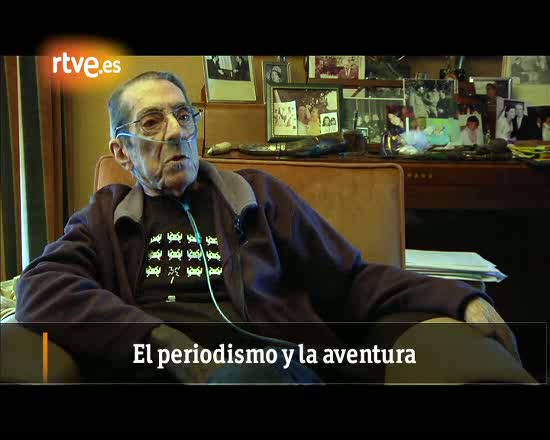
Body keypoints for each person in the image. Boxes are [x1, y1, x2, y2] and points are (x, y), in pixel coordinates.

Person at [14, 71, 520, 384]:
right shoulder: (107, 216)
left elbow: (350, 279)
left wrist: (458, 299)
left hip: (275, 369)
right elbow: (40, 287)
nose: (176, 131)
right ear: (122, 152)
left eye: (184, 115)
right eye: (151, 122)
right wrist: (163, 341)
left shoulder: (255, 193)